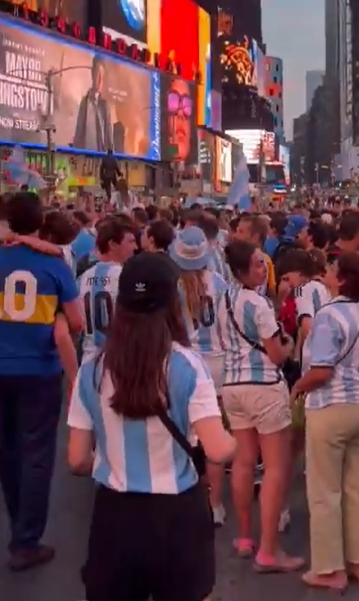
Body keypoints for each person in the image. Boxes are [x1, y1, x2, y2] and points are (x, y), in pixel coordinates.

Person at [68, 251, 236, 601]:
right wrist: (237, 442)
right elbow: (218, 449)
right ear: (173, 302)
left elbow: (77, 459)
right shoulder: (188, 365)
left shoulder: (92, 369)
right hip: (177, 515)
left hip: (114, 515)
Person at [0, 192, 84, 571]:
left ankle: (16, 529)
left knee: (9, 452)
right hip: (38, 370)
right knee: (37, 454)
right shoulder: (53, 265)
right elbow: (77, 322)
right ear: (40, 223)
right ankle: (26, 540)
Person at [292, 252, 359, 592]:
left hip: (331, 407)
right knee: (356, 487)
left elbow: (321, 370)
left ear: (341, 279)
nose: (327, 271)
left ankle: (329, 569)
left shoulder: (328, 316)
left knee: (324, 489)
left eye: (332, 268)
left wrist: (298, 386)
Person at [217, 240, 301, 570]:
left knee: (243, 462)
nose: (262, 267)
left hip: (233, 386)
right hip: (264, 387)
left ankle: (244, 538)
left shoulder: (224, 299)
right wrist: (289, 343)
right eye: (255, 264)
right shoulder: (259, 304)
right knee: (276, 468)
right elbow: (277, 354)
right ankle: (269, 551)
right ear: (241, 270)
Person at [171, 227, 230, 523]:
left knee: (183, 433)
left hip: (185, 362)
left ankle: (186, 497)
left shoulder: (173, 286)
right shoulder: (220, 282)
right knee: (213, 435)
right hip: (218, 363)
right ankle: (215, 504)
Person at [79, 217, 139, 360]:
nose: (135, 247)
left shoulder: (82, 278)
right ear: (112, 244)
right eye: (130, 241)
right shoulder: (127, 277)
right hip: (120, 362)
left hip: (88, 362)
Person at [73, 56, 114, 153]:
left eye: (102, 77)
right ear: (92, 74)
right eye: (98, 75)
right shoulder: (85, 103)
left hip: (102, 157)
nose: (100, 81)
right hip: (86, 156)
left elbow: (109, 138)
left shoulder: (105, 106)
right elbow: (78, 134)